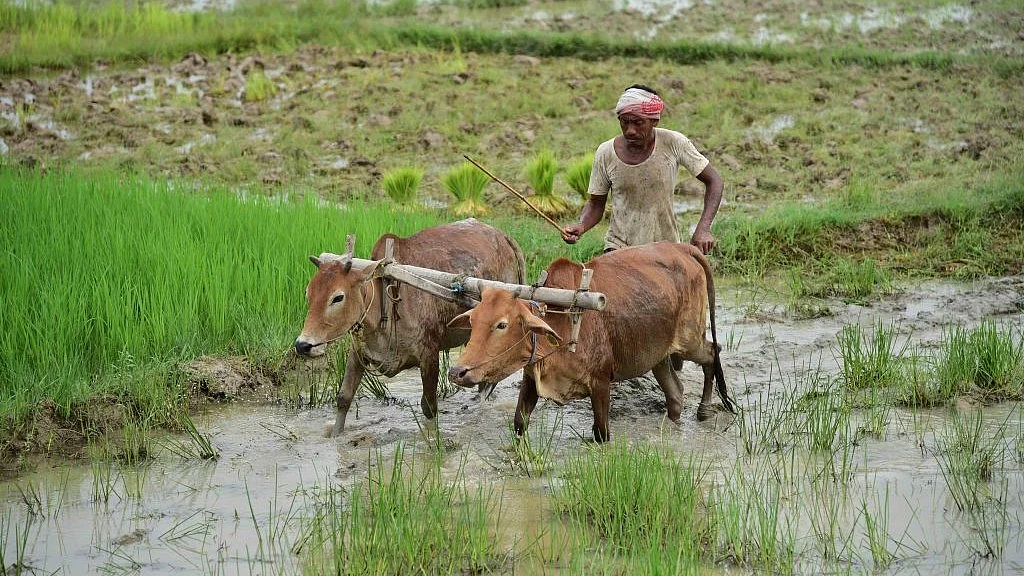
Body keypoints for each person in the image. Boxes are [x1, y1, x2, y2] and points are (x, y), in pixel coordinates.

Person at [561, 84, 723, 255]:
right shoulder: (606, 152)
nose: (630, 130)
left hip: (665, 247)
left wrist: (703, 229)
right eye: (625, 122)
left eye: (638, 123)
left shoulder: (673, 143)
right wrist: (581, 226)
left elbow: (714, 181)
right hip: (619, 248)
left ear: (654, 120)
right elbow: (595, 203)